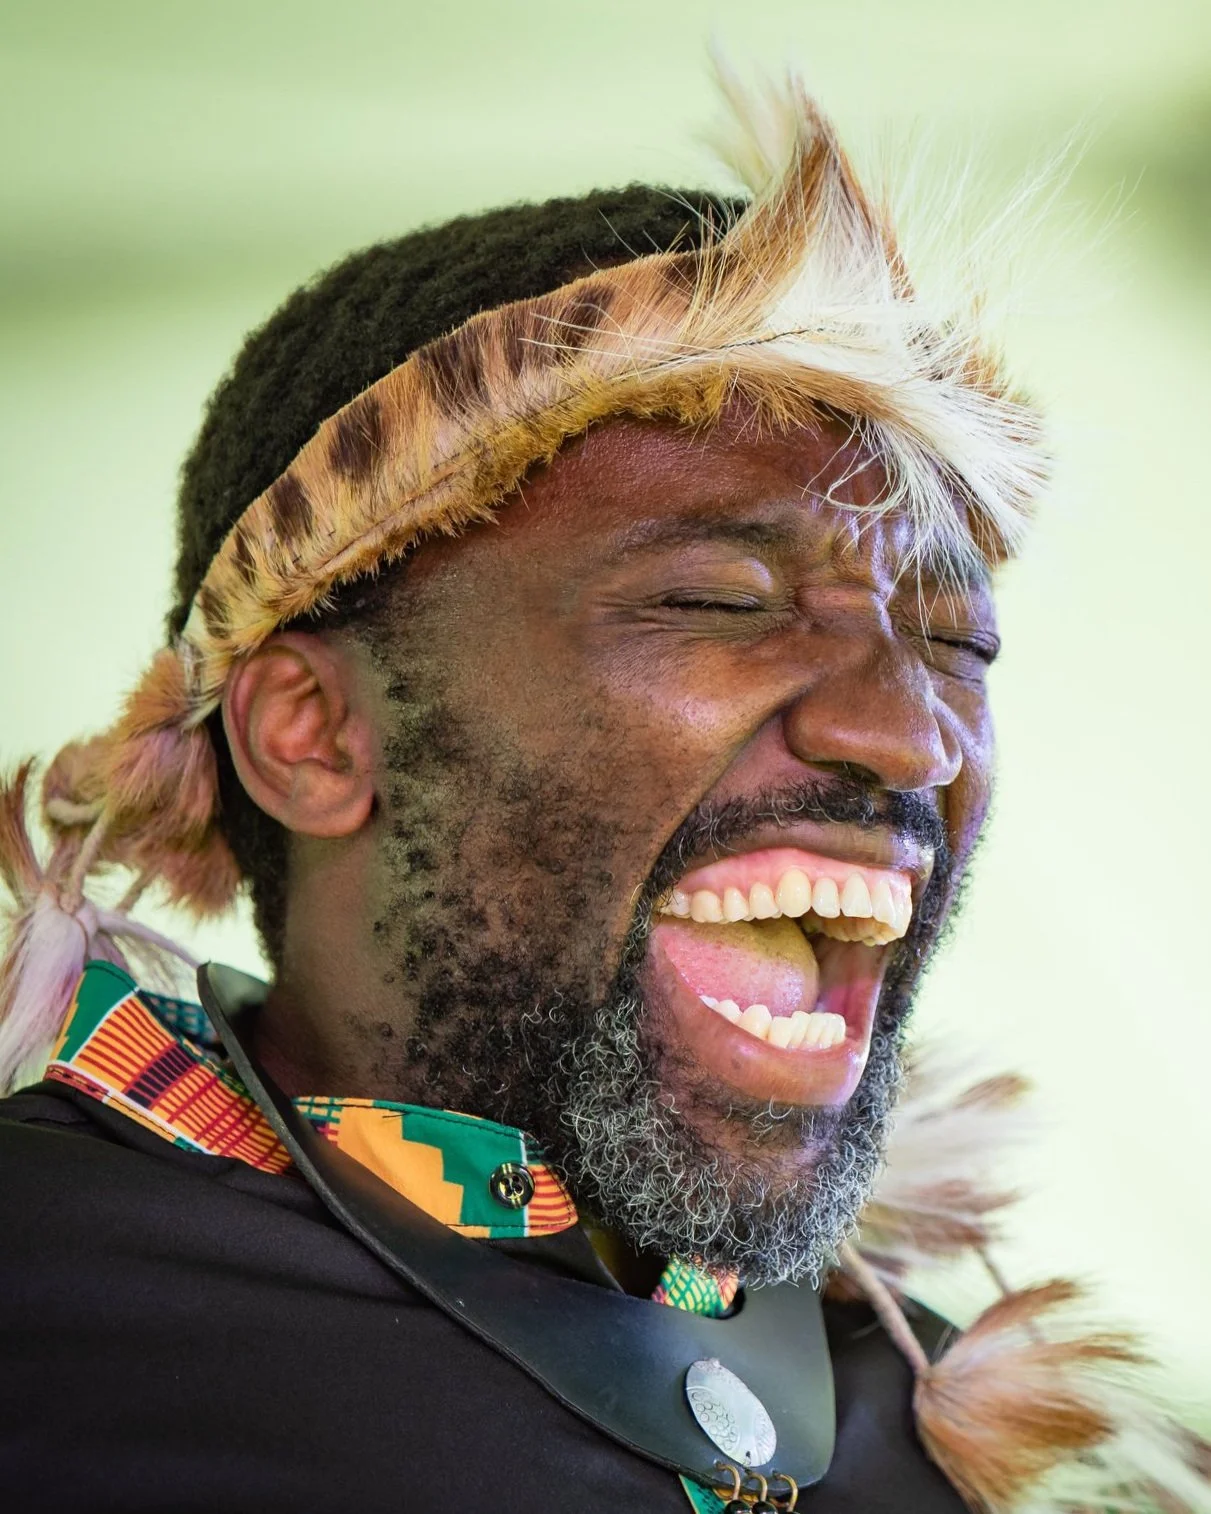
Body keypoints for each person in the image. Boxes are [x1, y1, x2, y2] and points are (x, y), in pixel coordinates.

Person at [0, 73, 1205, 1514]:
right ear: (314, 737)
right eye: (720, 600)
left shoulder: (952, 1443)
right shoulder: (48, 1313)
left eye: (960, 646)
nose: (912, 736)